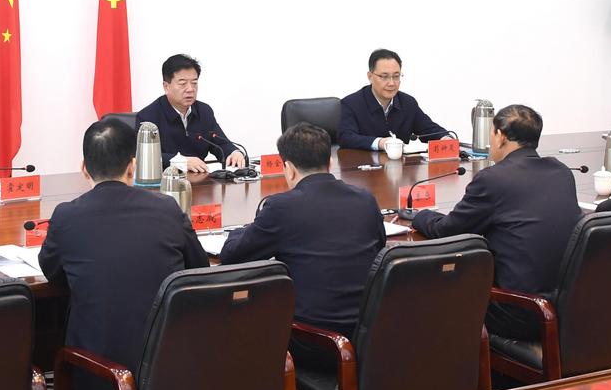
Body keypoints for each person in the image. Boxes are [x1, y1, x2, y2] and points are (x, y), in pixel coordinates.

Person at [39, 119, 207, 390]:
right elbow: (198, 269)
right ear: (133, 166)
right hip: (169, 379)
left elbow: (53, 273)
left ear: (84, 168)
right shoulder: (167, 208)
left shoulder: (67, 216)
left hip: (101, 380)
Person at [406, 104, 579, 341]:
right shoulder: (561, 172)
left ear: (500, 136)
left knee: (436, 290)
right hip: (565, 308)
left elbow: (448, 231)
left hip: (519, 311)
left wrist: (419, 215)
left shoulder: (494, 179)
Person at [220, 122, 386, 343]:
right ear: (330, 162)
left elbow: (232, 256)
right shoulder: (366, 199)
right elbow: (379, 248)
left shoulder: (281, 207)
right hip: (368, 331)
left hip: (312, 338)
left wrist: (239, 231)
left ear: (289, 169)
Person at [135, 54, 245, 172]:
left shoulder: (204, 111)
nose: (190, 89)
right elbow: (143, 156)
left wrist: (234, 152)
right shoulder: (148, 117)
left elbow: (220, 143)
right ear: (166, 87)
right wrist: (180, 162)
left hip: (202, 180)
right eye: (182, 83)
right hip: (166, 181)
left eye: (194, 83)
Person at [338, 49, 451, 154]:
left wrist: (445, 138)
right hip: (363, 166)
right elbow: (345, 137)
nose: (391, 83)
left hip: (400, 167)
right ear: (370, 76)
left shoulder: (408, 103)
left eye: (396, 76)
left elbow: (429, 129)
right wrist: (380, 143)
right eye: (384, 77)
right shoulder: (351, 104)